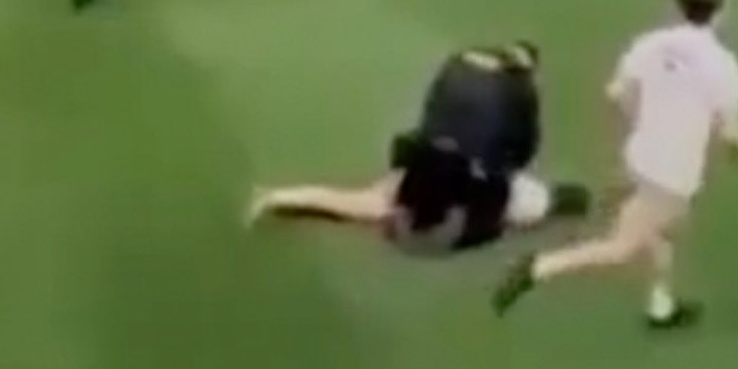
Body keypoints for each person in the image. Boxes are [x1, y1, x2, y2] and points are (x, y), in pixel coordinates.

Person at [491, 0, 738, 329]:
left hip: (641, 156)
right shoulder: (724, 66)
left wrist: (638, 123)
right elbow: (732, 132)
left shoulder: (651, 44)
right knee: (622, 247)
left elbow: (615, 94)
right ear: (721, 9)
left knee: (663, 230)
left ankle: (661, 305)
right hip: (673, 173)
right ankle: (539, 267)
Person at [246, 41, 591, 255]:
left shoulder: (392, 207)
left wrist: (274, 199)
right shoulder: (504, 202)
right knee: (549, 198)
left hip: (441, 210)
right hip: (472, 208)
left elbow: (325, 200)